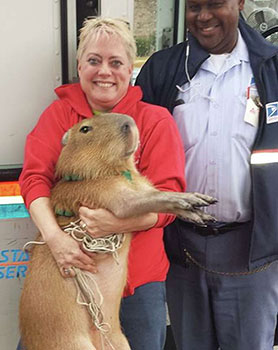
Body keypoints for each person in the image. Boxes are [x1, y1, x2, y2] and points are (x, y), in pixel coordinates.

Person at [18, 17, 186, 350]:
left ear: (130, 69)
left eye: (115, 62)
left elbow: (169, 200)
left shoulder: (154, 121)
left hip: (137, 284)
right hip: (65, 276)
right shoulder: (58, 116)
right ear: (80, 66)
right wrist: (56, 240)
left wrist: (118, 222)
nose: (104, 72)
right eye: (94, 61)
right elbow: (34, 180)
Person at [135, 0, 278, 349]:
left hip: (253, 254)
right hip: (182, 251)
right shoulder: (163, 70)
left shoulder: (271, 68)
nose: (204, 17)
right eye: (195, 6)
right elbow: (137, 155)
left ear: (240, 3)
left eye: (215, 4)